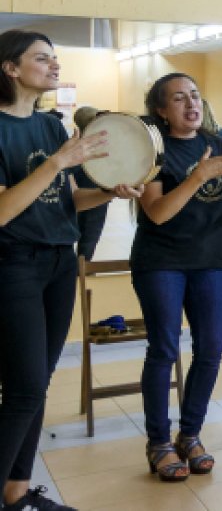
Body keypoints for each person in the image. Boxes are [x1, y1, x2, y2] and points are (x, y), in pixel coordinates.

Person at [0, 31, 139, 511]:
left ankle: (17, 493)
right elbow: (2, 211)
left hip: (60, 259)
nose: (54, 66)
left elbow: (67, 200)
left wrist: (109, 193)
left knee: (38, 381)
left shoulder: (51, 127)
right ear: (10, 68)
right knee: (23, 387)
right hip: (13, 264)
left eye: (55, 58)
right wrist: (59, 162)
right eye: (42, 58)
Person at [133, 72, 222, 481]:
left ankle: (189, 434)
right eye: (178, 99)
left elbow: (219, 201)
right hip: (161, 261)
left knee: (211, 350)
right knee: (164, 349)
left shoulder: (217, 143)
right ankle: (158, 441)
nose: (191, 104)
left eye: (194, 95)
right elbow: (157, 212)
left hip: (209, 261)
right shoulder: (152, 150)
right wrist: (199, 175)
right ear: (161, 110)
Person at [72, 106, 107, 261]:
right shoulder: (87, 146)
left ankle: (82, 263)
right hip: (92, 194)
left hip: (96, 193)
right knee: (90, 230)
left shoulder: (74, 144)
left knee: (87, 230)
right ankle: (84, 263)